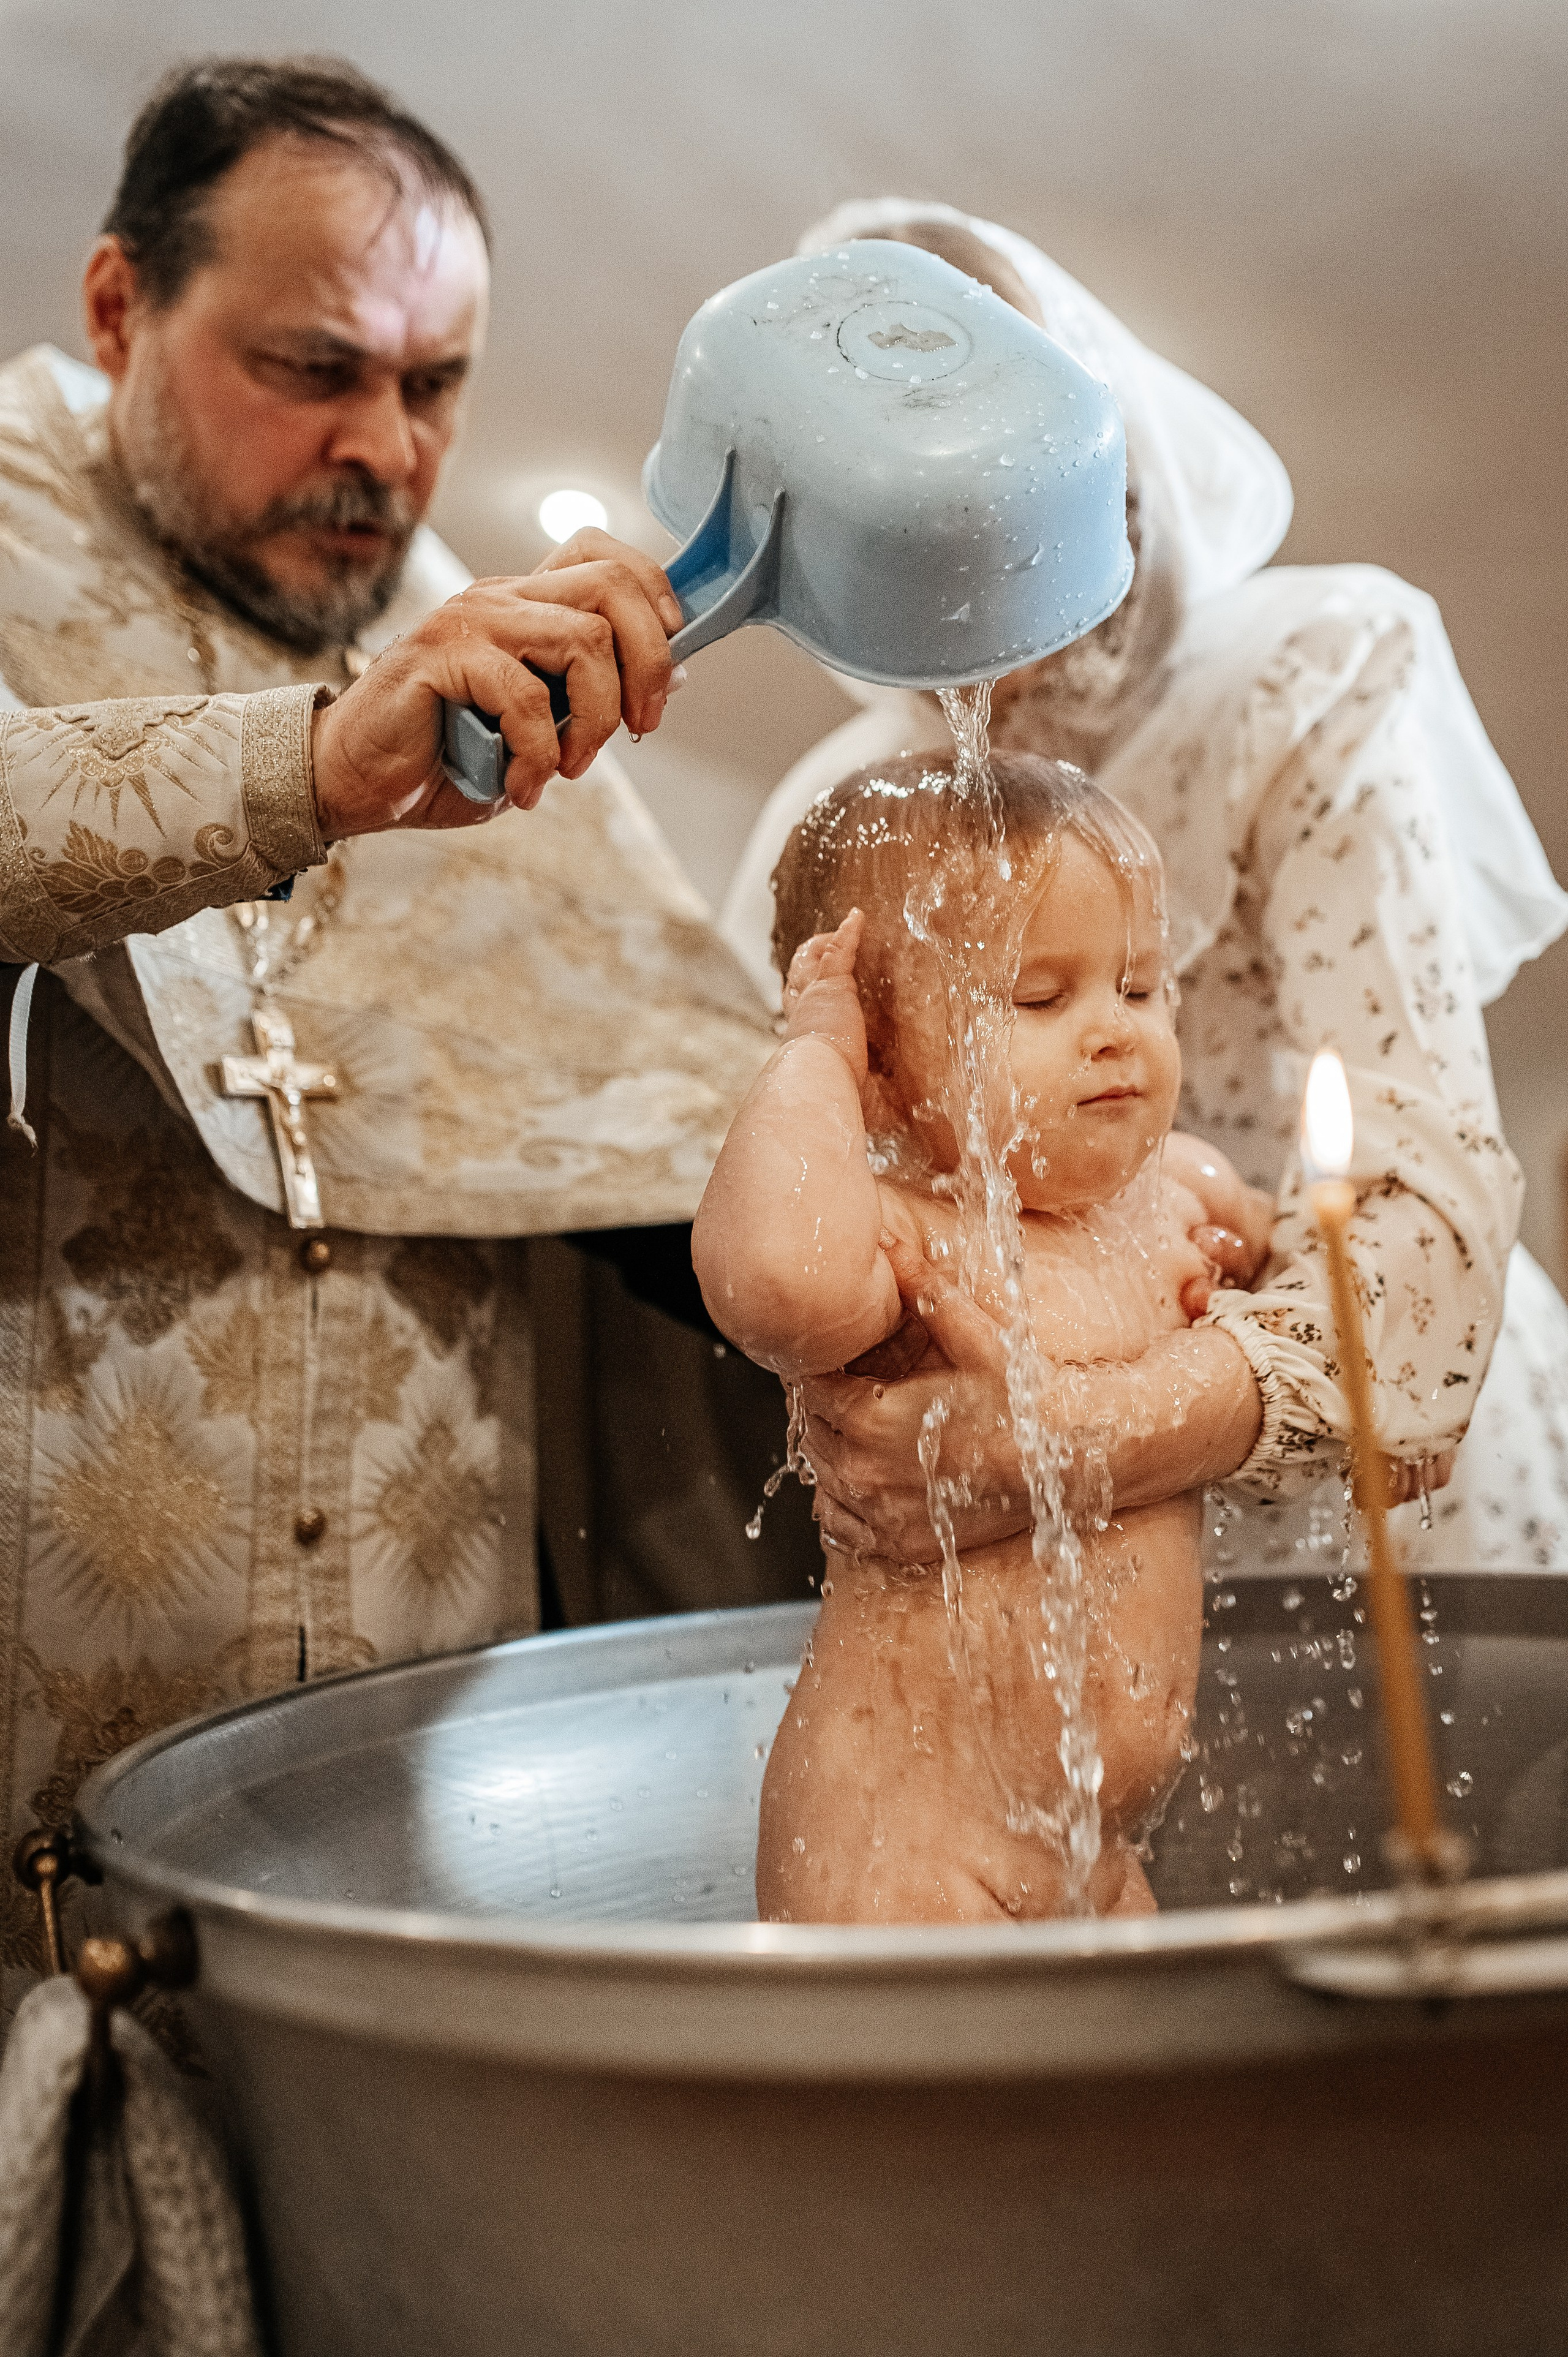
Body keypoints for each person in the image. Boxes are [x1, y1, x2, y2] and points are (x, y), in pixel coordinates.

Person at [0, 57, 779, 2018]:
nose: (386, 447)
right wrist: (308, 764)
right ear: (119, 311)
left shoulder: (495, 670)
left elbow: (646, 1137)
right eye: (315, 365)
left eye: (434, 385)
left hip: (421, 1814)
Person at [722, 199, 1568, 1588]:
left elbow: (1417, 1211)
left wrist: (1084, 1431)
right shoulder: (832, 817)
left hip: (1371, 1456)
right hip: (1033, 1515)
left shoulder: (1293, 677)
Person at [698, 749, 1259, 1921]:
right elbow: (771, 1285)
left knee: (1134, 2104)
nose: (1114, 1033)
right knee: (917, 2110)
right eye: (1041, 999)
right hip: (904, 1836)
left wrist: (1248, 1273)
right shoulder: (901, 1243)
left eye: (1142, 986)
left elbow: (1327, 1300)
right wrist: (816, 1061)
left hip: (1097, 1854)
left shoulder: (1175, 1207)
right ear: (890, 1067)